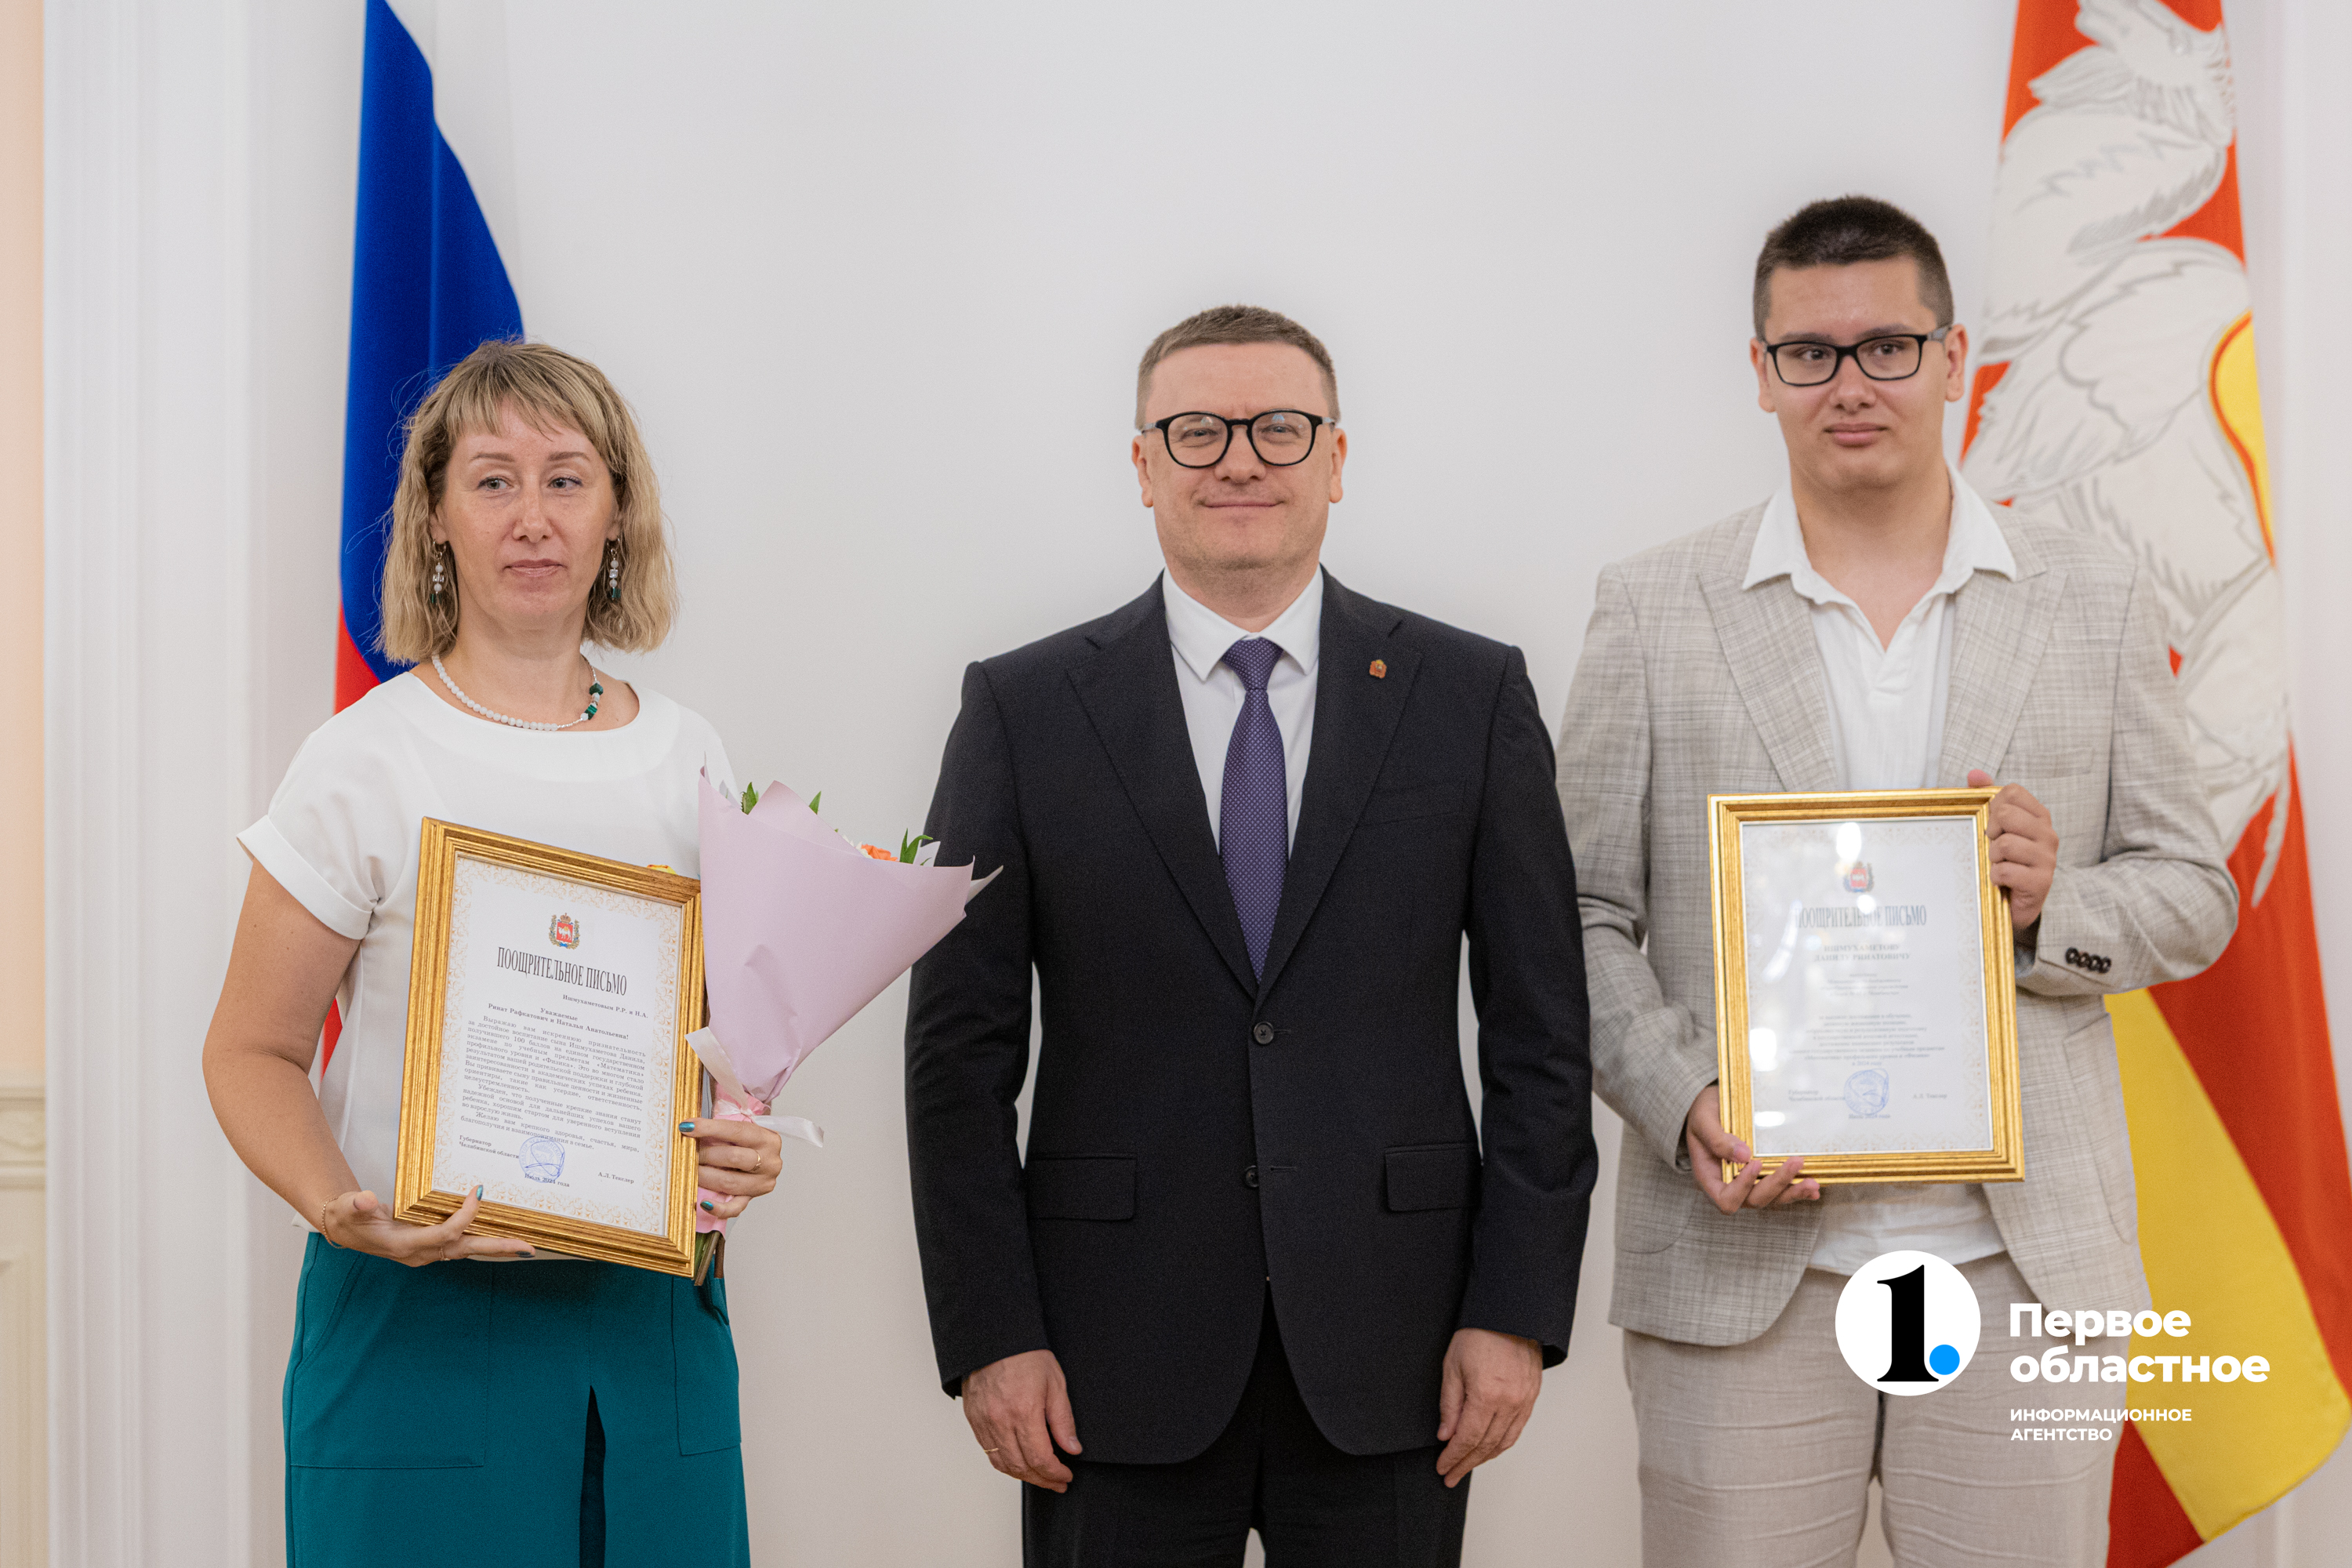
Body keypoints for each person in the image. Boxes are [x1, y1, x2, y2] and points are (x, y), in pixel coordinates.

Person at [1556, 195, 2237, 1564]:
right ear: (1762, 373)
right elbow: (1575, 913)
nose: (1850, 383)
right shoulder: (1654, 606)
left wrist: (2054, 905)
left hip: (2023, 1261)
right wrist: (1684, 1098)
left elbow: (2194, 892)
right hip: (1744, 1262)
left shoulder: (2092, 598)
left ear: (1954, 357)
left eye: (1887, 346)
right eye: (1810, 353)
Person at [903, 304, 1596, 1566]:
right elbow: (957, 1058)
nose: (1239, 460)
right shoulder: (1022, 708)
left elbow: (1541, 1034)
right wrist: (992, 1334)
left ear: (1336, 458)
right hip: (1106, 1356)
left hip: (1401, 1346)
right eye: (1197, 431)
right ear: (1142, 463)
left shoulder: (1468, 693)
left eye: (1279, 428)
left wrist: (1516, 1309)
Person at [201, 340, 782, 1567]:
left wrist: (743, 1135)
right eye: (493, 480)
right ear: (435, 517)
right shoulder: (365, 758)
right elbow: (250, 1050)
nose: (533, 517)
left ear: (617, 513)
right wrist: (340, 1209)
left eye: (567, 479)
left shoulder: (692, 756)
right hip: (417, 1319)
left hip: (649, 1329)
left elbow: (724, 1045)